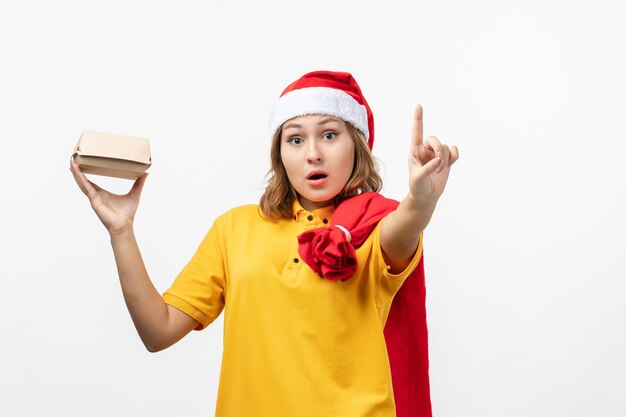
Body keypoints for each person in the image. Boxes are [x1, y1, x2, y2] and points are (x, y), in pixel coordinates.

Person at [70, 70, 459, 417]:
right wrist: (121, 231)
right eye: (295, 139)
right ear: (280, 154)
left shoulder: (374, 227)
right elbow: (158, 331)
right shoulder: (234, 229)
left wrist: (422, 200)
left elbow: (405, 226)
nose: (312, 154)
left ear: (355, 145)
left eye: (329, 134)